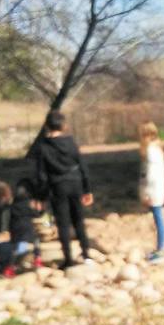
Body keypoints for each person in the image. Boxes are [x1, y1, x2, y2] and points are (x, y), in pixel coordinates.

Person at [31, 109, 94, 268]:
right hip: (76, 184)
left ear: (46, 125)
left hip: (58, 187)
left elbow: (41, 175)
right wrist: (87, 189)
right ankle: (86, 254)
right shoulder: (71, 142)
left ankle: (68, 259)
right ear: (64, 125)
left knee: (63, 224)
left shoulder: (43, 147)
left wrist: (41, 197)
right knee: (79, 220)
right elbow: (82, 166)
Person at [138, 121, 164, 263]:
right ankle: (159, 248)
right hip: (159, 188)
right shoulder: (158, 148)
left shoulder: (150, 151)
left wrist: (147, 193)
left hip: (154, 190)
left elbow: (150, 175)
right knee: (158, 219)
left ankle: (161, 250)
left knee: (158, 219)